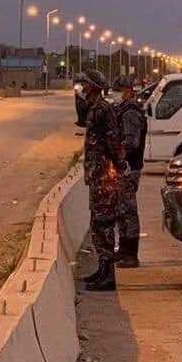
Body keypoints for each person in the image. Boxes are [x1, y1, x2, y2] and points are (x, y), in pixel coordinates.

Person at [77, 69, 128, 291]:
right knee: (97, 223)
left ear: (92, 87)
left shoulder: (102, 110)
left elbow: (113, 141)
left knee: (104, 223)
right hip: (98, 175)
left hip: (105, 176)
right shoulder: (94, 108)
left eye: (85, 84)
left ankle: (108, 276)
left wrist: (120, 164)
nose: (82, 88)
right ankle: (102, 269)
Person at [113, 75, 147, 268]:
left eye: (118, 90)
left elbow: (131, 143)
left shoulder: (130, 113)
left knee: (128, 211)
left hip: (129, 168)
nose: (115, 94)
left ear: (127, 91)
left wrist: (117, 153)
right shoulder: (124, 109)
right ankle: (124, 249)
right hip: (124, 167)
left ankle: (131, 254)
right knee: (121, 210)